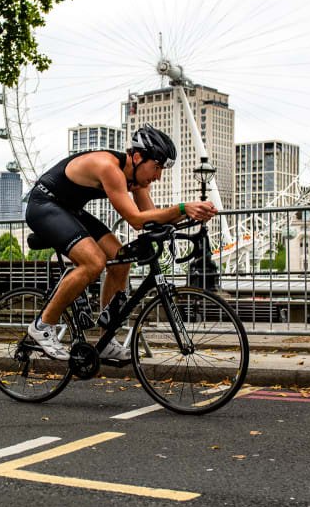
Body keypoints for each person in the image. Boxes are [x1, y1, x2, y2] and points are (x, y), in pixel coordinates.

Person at [25, 124, 217, 361]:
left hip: (70, 210)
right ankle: (42, 326)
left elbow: (151, 217)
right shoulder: (109, 168)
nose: (157, 176)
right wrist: (181, 207)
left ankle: (106, 341)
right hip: (44, 205)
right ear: (137, 157)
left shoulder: (137, 180)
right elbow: (136, 220)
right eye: (156, 168)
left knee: (120, 260)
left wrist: (190, 213)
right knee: (93, 262)